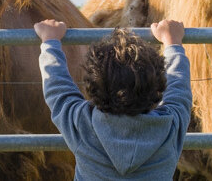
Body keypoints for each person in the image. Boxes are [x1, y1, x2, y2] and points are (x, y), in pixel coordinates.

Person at [33, 18, 193, 181]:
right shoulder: (170, 126)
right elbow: (179, 87)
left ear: (93, 86)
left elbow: (57, 89)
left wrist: (50, 42)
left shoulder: (84, 124)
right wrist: (173, 43)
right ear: (158, 86)